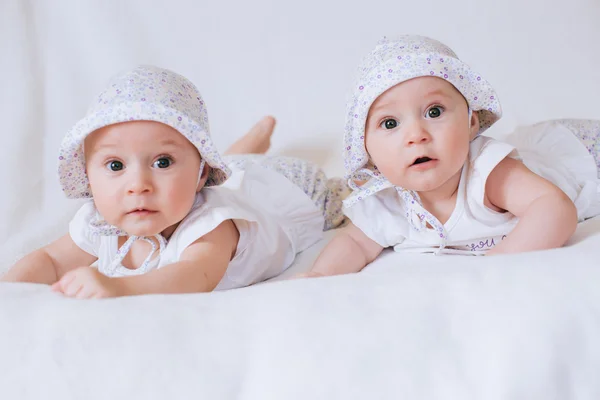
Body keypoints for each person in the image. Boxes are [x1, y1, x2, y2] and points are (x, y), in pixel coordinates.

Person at [1, 65, 348, 297]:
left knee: (341, 198)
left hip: (282, 189)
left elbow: (193, 276)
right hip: (233, 175)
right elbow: (49, 258)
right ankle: (249, 145)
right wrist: (9, 291)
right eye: (115, 164)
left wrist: (119, 287)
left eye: (162, 162)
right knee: (235, 166)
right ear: (89, 176)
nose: (138, 185)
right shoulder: (101, 220)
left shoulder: (213, 227)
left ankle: (253, 147)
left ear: (200, 175)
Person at [299, 34, 600, 278]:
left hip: (580, 153)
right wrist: (319, 275)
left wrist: (497, 265)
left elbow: (553, 207)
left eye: (434, 112)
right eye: (390, 123)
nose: (416, 134)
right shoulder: (387, 201)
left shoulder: (487, 171)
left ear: (470, 123)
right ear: (368, 153)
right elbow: (355, 243)